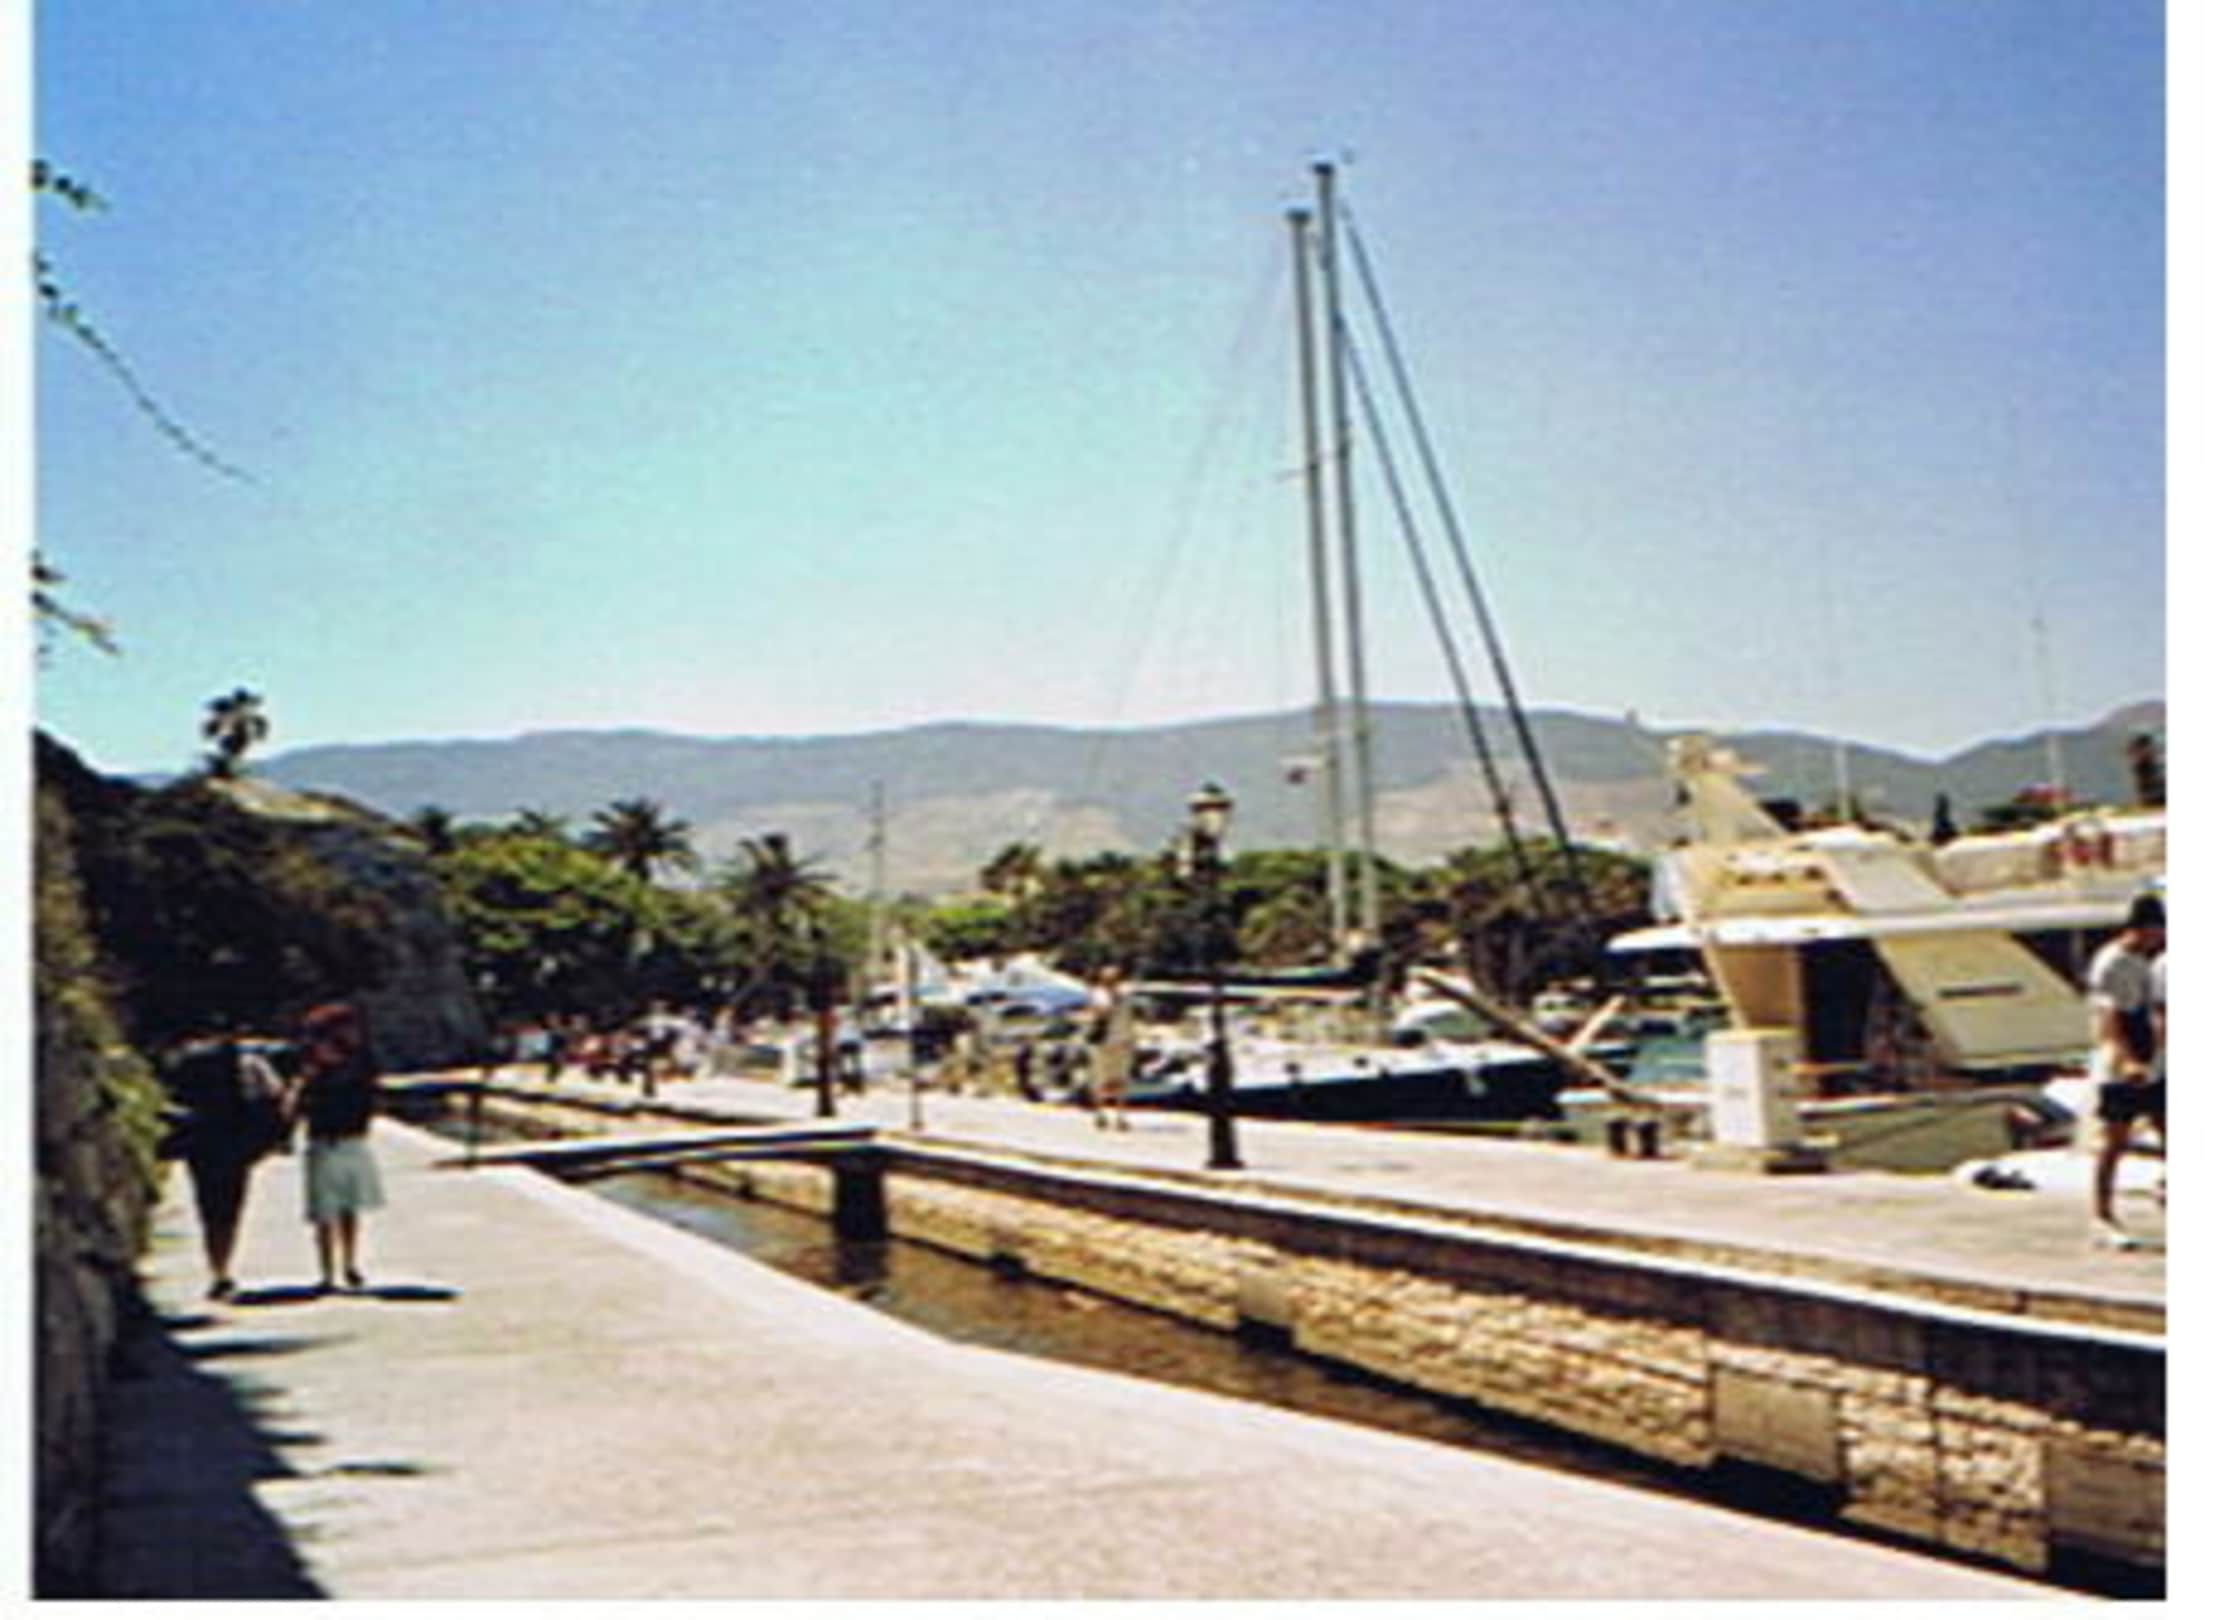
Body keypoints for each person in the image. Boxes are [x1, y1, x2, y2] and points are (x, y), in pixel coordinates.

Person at [160, 1032, 294, 1300]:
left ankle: (216, 1269)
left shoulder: (185, 1060)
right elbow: (274, 1095)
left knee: (207, 1207)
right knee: (230, 1209)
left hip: (200, 1143)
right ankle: (222, 1268)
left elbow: (168, 1100)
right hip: (235, 1142)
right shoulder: (249, 1061)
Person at [2088, 893, 2165, 1250]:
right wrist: (2129, 1061)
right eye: (2156, 931)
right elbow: (2112, 1020)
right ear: (2140, 929)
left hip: (2154, 1060)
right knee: (2114, 1141)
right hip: (2122, 1065)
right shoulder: (2113, 963)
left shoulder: (2150, 960)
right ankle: (2102, 1216)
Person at [296, 1001, 385, 1292]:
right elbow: (303, 1103)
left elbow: (371, 1094)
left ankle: (349, 1263)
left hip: (352, 1139)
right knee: (324, 1211)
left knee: (349, 1207)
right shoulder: (313, 1066)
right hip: (324, 1141)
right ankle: (327, 1271)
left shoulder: (360, 1063)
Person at [1086, 966, 1135, 1131]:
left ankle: (1121, 1116)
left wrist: (1132, 1039)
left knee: (1121, 1079)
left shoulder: (1126, 995)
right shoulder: (1098, 995)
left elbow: (1129, 1019)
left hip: (1122, 1042)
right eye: (1108, 980)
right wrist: (1111, 1002)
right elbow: (1100, 1013)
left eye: (1114, 979)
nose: (1111, 983)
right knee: (1101, 1078)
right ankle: (1100, 1113)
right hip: (1103, 1044)